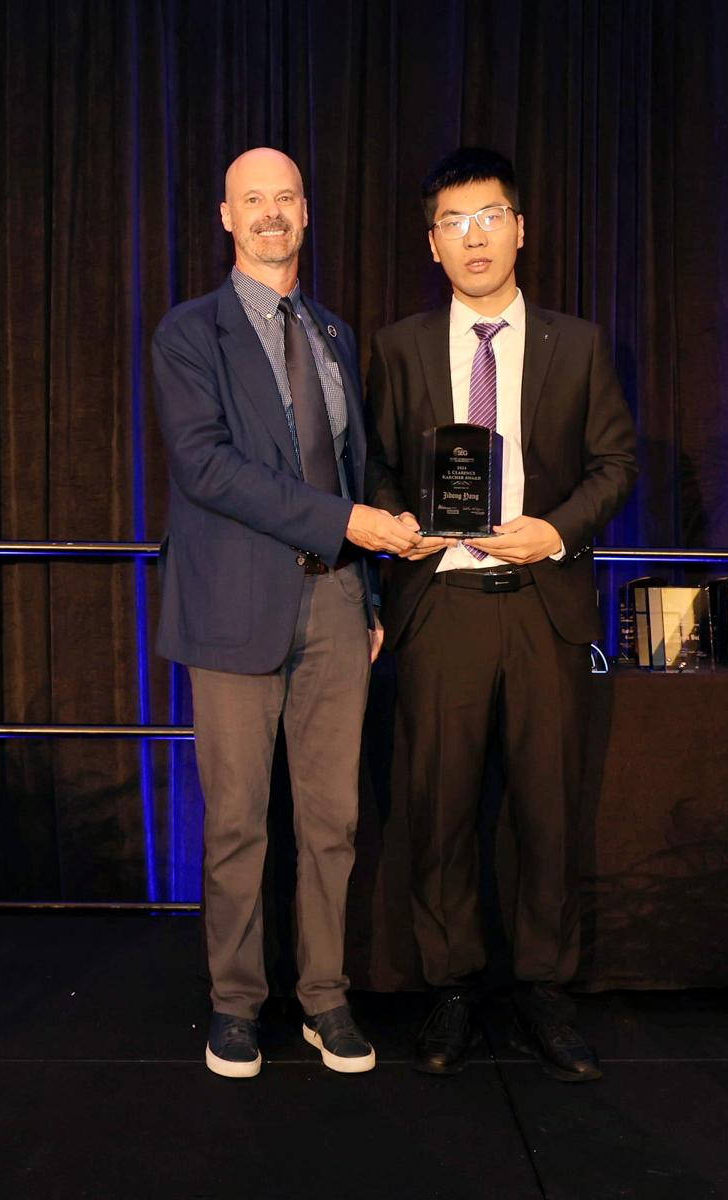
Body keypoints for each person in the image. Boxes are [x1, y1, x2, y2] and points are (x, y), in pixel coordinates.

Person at [365, 146, 638, 1083]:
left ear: (520, 229)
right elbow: (376, 466)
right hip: (441, 603)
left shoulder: (579, 344)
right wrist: (400, 526)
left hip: (541, 607)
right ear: (431, 243)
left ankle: (544, 989)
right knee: (437, 807)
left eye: (489, 217)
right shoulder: (399, 346)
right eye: (453, 222)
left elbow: (615, 465)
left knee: (548, 811)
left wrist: (555, 532)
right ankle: (449, 986)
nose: (473, 237)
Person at [152, 147, 420, 1079]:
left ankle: (324, 997)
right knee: (236, 821)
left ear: (307, 213)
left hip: (338, 603)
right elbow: (208, 467)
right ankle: (235, 1003)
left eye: (286, 198)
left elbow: (351, 468)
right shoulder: (189, 333)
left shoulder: (334, 334)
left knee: (333, 820)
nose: (271, 213)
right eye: (252, 200)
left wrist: (369, 590)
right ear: (227, 217)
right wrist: (347, 523)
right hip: (234, 608)